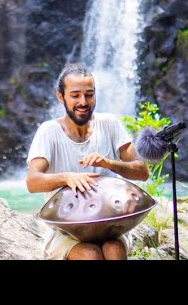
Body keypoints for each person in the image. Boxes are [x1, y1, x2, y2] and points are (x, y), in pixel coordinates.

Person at [26, 62, 150, 260]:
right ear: (61, 97)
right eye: (75, 95)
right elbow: (33, 182)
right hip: (67, 230)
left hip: (110, 225)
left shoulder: (109, 123)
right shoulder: (49, 131)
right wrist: (66, 178)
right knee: (90, 255)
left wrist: (109, 163)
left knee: (114, 250)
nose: (83, 101)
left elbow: (142, 172)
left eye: (89, 95)